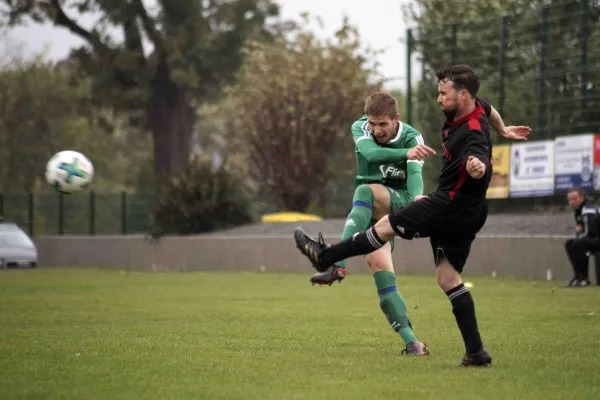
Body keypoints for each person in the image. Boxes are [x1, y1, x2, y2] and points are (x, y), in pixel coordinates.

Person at [294, 64, 530, 367]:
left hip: (445, 204)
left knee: (382, 222)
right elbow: (489, 108)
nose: (438, 99)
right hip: (468, 211)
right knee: (447, 278)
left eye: (443, 94)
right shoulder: (475, 109)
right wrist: (503, 129)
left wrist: (478, 167)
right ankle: (474, 353)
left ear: (463, 95)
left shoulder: (466, 131)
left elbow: (479, 154)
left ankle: (328, 258)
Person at [564, 186, 600, 287]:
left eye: (574, 199)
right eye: (569, 199)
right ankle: (578, 276)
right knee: (570, 244)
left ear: (582, 198)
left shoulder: (588, 210)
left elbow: (589, 233)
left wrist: (580, 236)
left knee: (579, 243)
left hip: (596, 237)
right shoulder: (579, 211)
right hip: (595, 238)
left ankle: (584, 278)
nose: (571, 202)